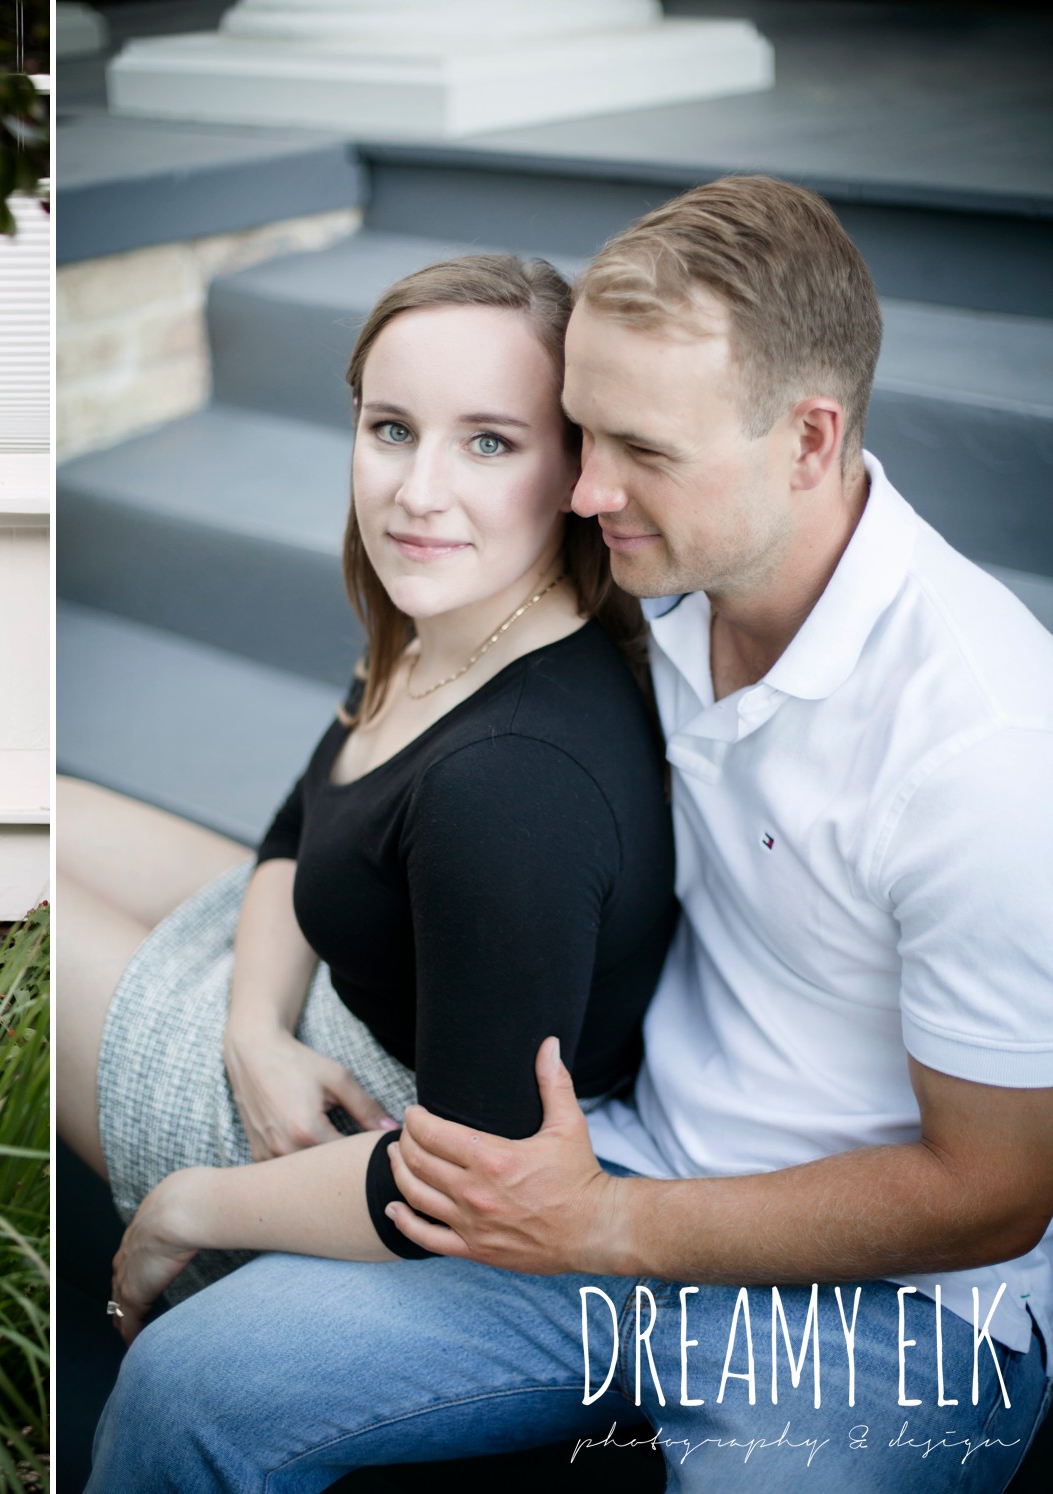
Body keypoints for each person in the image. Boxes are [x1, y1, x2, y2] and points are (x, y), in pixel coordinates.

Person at [86, 177, 1053, 1492]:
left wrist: (606, 1218)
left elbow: (994, 1190)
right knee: (184, 1388)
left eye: (640, 449)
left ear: (809, 441)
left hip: (881, 1308)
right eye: (580, 432)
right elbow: (363, 753)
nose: (588, 488)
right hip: (616, 1159)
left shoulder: (980, 750)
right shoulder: (649, 584)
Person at [58, 253, 678, 1324]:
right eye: (390, 428)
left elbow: (464, 1183)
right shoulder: (445, 615)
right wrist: (254, 1033)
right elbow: (297, 827)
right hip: (305, 997)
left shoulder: (512, 787)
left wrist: (186, 1206)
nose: (416, 491)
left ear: (575, 470)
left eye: (487, 441)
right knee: (39, 811)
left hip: (332, 1155)